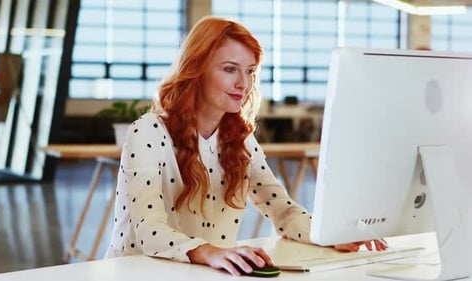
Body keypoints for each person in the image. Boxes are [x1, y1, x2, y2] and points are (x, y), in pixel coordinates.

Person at [104, 15, 387, 276]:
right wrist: (208, 252)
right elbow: (149, 229)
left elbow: (283, 211)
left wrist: (332, 235)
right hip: (137, 274)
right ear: (197, 69)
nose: (244, 83)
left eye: (250, 71)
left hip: (203, 273)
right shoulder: (148, 132)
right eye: (230, 69)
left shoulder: (240, 140)